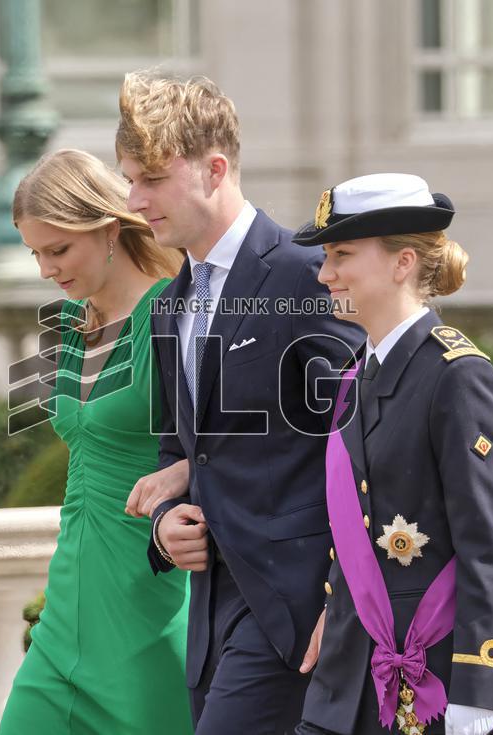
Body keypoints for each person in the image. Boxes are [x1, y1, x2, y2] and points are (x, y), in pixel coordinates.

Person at [117, 71, 364, 734]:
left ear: (214, 168)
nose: (135, 199)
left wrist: (344, 603)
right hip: (211, 616)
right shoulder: (169, 306)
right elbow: (182, 450)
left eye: (151, 178)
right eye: (130, 180)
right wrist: (167, 523)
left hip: (296, 609)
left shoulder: (302, 274)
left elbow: (365, 441)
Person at [292, 173, 493, 735]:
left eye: (342, 254)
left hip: (431, 681)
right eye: (325, 256)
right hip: (348, 675)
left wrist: (474, 693)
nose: (325, 274)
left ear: (402, 263)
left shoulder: (458, 377)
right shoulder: (351, 378)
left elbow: (483, 548)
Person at [0, 149, 193, 735]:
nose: (45, 269)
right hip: (69, 602)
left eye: (58, 250)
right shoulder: (68, 324)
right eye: (35, 252)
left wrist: (184, 478)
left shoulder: (174, 313)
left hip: (153, 595)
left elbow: (232, 447)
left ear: (108, 229)